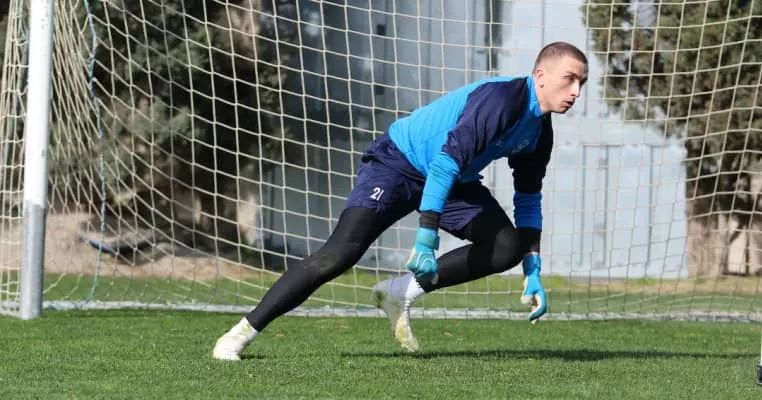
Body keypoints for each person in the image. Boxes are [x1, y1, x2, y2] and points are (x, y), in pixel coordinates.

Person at [212, 41, 589, 360]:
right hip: (398, 164)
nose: (575, 91)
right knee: (339, 254)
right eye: (569, 78)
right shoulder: (502, 99)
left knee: (506, 246)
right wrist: (426, 238)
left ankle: (400, 292)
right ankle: (239, 333)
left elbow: (528, 196)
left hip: (451, 177)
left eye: (581, 83)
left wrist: (532, 267)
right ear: (541, 75)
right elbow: (445, 161)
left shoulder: (540, 132)